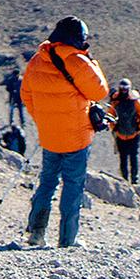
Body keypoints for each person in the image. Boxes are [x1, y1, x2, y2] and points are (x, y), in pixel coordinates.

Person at [20, 16, 107, 248]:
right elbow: (99, 91)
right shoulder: (78, 60)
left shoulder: (38, 59)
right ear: (78, 38)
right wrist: (91, 61)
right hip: (76, 136)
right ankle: (68, 239)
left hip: (49, 135)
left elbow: (26, 95)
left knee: (46, 183)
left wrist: (44, 119)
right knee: (73, 185)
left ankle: (36, 233)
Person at [108, 78, 140, 184]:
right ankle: (129, 180)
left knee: (130, 158)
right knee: (126, 158)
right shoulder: (117, 101)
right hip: (125, 135)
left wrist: (137, 129)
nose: (124, 90)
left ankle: (132, 180)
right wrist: (115, 128)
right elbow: (110, 116)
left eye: (125, 88)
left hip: (128, 135)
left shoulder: (133, 101)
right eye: (122, 88)